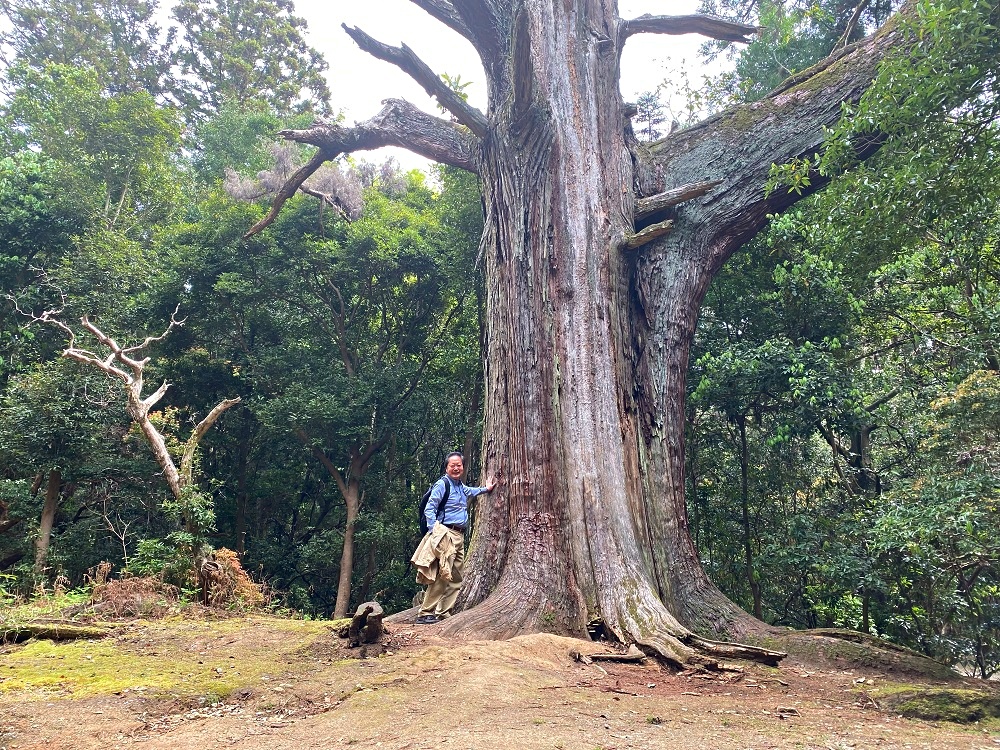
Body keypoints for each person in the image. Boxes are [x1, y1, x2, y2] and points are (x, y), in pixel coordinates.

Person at [414, 451, 498, 624]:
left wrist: (486, 489)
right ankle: (425, 613)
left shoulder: (459, 486)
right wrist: (435, 531)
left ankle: (443, 612)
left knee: (456, 576)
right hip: (446, 534)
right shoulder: (442, 484)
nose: (456, 468)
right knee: (442, 574)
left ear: (462, 466)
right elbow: (430, 508)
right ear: (447, 467)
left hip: (459, 535)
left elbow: (471, 491)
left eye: (459, 465)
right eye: (452, 465)